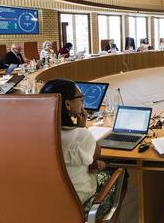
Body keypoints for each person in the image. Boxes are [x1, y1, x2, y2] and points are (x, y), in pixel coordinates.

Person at [39, 79, 117, 218]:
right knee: (115, 172)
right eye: (81, 98)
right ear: (68, 104)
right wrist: (82, 126)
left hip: (39, 203)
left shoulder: (30, 135)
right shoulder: (80, 136)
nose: (83, 101)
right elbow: (96, 156)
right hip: (76, 206)